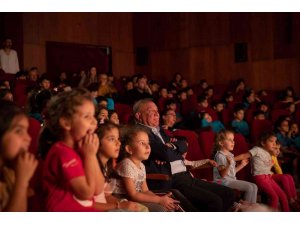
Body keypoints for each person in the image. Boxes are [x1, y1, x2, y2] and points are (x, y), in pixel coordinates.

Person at [132, 99, 236, 212]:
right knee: (215, 201)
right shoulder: (140, 133)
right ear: (139, 115)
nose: (156, 113)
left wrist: (172, 148)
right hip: (171, 179)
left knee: (228, 193)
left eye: (157, 110)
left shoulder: (159, 130)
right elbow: (165, 154)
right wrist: (173, 150)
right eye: (150, 110)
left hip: (185, 175)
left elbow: (184, 145)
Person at [42, 88, 104, 211]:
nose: (94, 121)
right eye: (87, 117)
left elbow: (98, 189)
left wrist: (91, 154)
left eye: (93, 116)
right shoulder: (62, 152)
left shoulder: (82, 149)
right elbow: (86, 193)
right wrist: (90, 156)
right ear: (66, 123)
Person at [114, 125, 179, 212]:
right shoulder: (126, 164)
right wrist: (159, 200)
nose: (148, 146)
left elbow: (145, 190)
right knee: (160, 209)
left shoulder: (141, 166)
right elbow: (132, 195)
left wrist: (161, 200)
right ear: (129, 149)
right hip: (122, 199)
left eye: (148, 143)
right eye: (142, 143)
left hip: (135, 198)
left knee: (167, 206)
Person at [94, 122, 148, 212]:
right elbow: (85, 204)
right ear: (97, 142)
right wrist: (119, 205)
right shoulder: (90, 167)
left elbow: (106, 196)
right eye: (111, 139)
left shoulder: (108, 167)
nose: (118, 143)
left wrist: (123, 203)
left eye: (118, 139)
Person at [234, 132, 290, 211]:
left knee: (282, 195)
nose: (274, 144)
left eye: (275, 141)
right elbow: (244, 155)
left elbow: (269, 164)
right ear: (263, 143)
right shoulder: (257, 149)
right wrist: (232, 159)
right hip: (260, 177)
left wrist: (275, 154)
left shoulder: (269, 152)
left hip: (268, 177)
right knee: (274, 197)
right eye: (271, 141)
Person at [0, 99, 38, 211]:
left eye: (26, 131)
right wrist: (22, 181)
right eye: (18, 131)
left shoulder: (9, 170)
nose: (29, 138)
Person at [212, 130, 258, 204]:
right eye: (230, 140)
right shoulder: (220, 156)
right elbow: (222, 175)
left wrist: (241, 165)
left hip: (230, 180)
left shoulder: (230, 155)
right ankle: (246, 210)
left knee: (254, 186)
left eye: (233, 140)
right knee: (249, 187)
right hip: (221, 182)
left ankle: (252, 209)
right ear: (221, 143)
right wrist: (229, 164)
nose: (233, 142)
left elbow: (231, 172)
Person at [271, 142, 300, 211]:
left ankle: (294, 198)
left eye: (279, 149)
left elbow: (277, 168)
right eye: (276, 149)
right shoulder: (268, 156)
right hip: (266, 175)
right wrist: (282, 177)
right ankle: (290, 199)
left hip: (270, 174)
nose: (278, 151)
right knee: (284, 177)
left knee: (288, 176)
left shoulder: (274, 157)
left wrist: (282, 176)